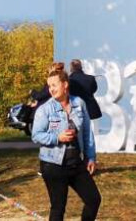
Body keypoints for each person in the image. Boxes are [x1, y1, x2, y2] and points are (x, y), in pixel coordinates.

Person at [32, 62, 100, 221]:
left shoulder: (79, 104)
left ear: (65, 85)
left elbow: (87, 133)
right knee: (58, 208)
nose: (51, 89)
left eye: (54, 85)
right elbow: (36, 135)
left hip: (76, 163)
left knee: (94, 200)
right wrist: (57, 137)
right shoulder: (45, 109)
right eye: (49, 86)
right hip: (53, 164)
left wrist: (91, 157)